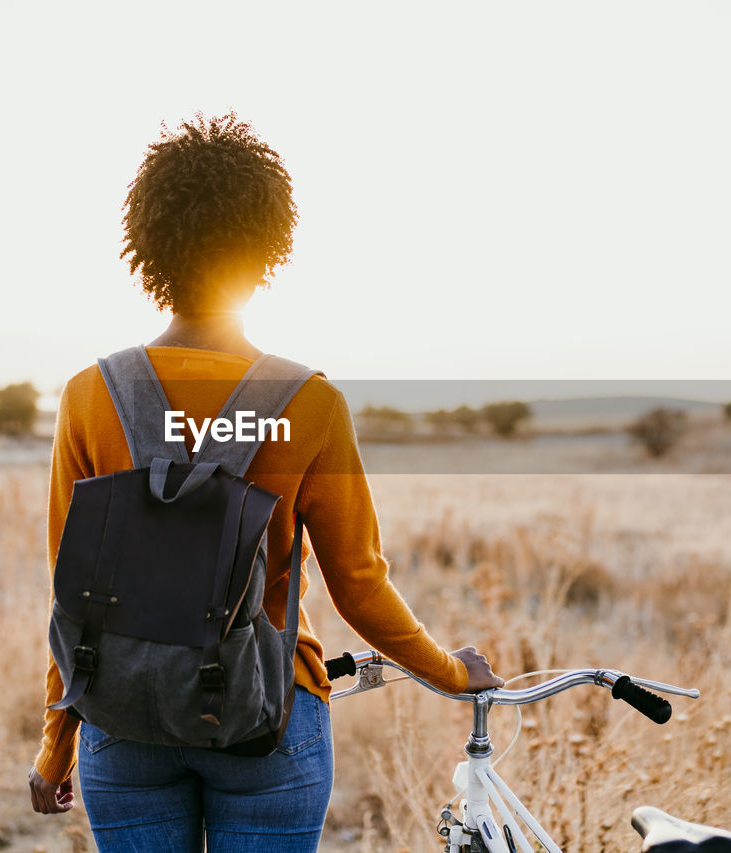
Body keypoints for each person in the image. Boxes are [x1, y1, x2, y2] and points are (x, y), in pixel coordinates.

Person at [27, 113, 503, 851]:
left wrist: (55, 744)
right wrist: (450, 672)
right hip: (268, 717)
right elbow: (359, 587)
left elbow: (72, 592)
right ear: (265, 249)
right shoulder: (309, 403)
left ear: (149, 243)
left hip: (123, 721)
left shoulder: (91, 395)